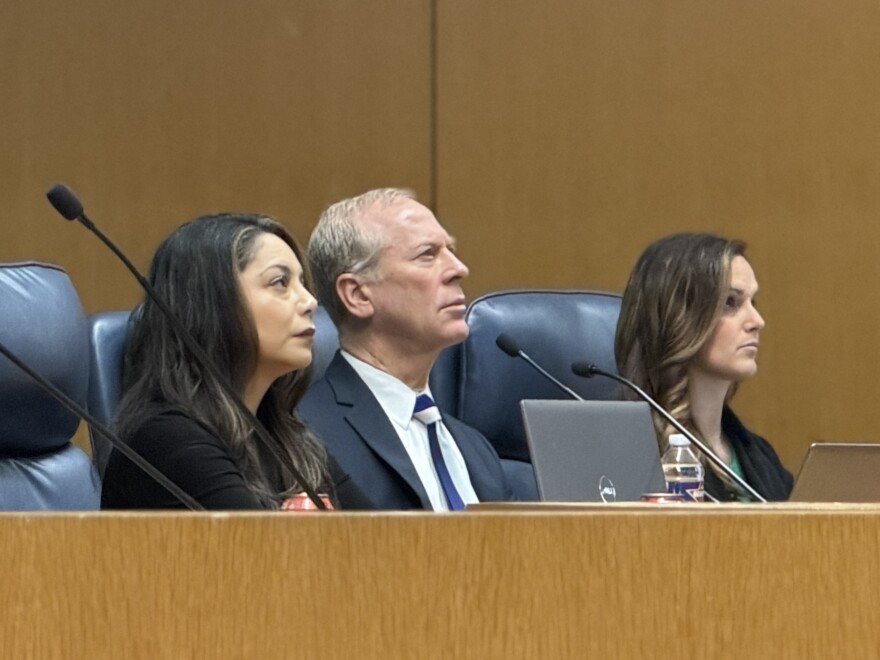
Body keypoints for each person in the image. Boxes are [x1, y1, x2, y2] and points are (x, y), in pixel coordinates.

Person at [101, 213, 369, 510]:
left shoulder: (283, 433)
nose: (309, 302)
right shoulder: (168, 439)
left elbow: (387, 537)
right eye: (280, 282)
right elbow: (264, 554)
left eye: (302, 283)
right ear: (214, 304)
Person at [299, 188, 514, 510]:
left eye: (451, 250)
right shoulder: (305, 435)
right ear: (358, 294)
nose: (459, 268)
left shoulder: (475, 449)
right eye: (427, 254)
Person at [614, 233, 793, 502]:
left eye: (752, 302)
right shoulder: (629, 452)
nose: (757, 321)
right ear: (678, 318)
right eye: (730, 303)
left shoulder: (759, 456)